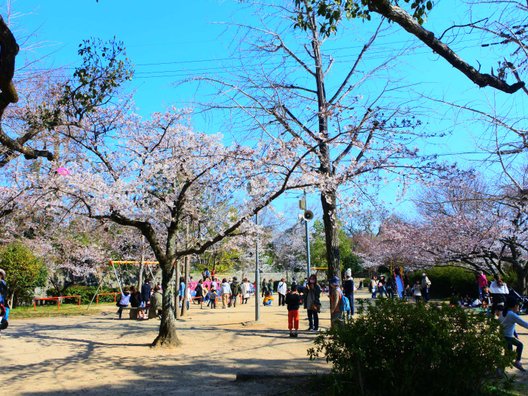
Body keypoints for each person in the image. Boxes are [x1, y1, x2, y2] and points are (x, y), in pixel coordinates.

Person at [499, 297, 528, 371]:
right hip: (507, 337)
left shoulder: (503, 312)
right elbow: (524, 324)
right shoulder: (511, 314)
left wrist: (514, 333)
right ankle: (515, 363)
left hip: (502, 335)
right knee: (517, 347)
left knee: (509, 353)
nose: (518, 307)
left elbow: (506, 323)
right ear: (515, 306)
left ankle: (501, 370)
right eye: (518, 306)